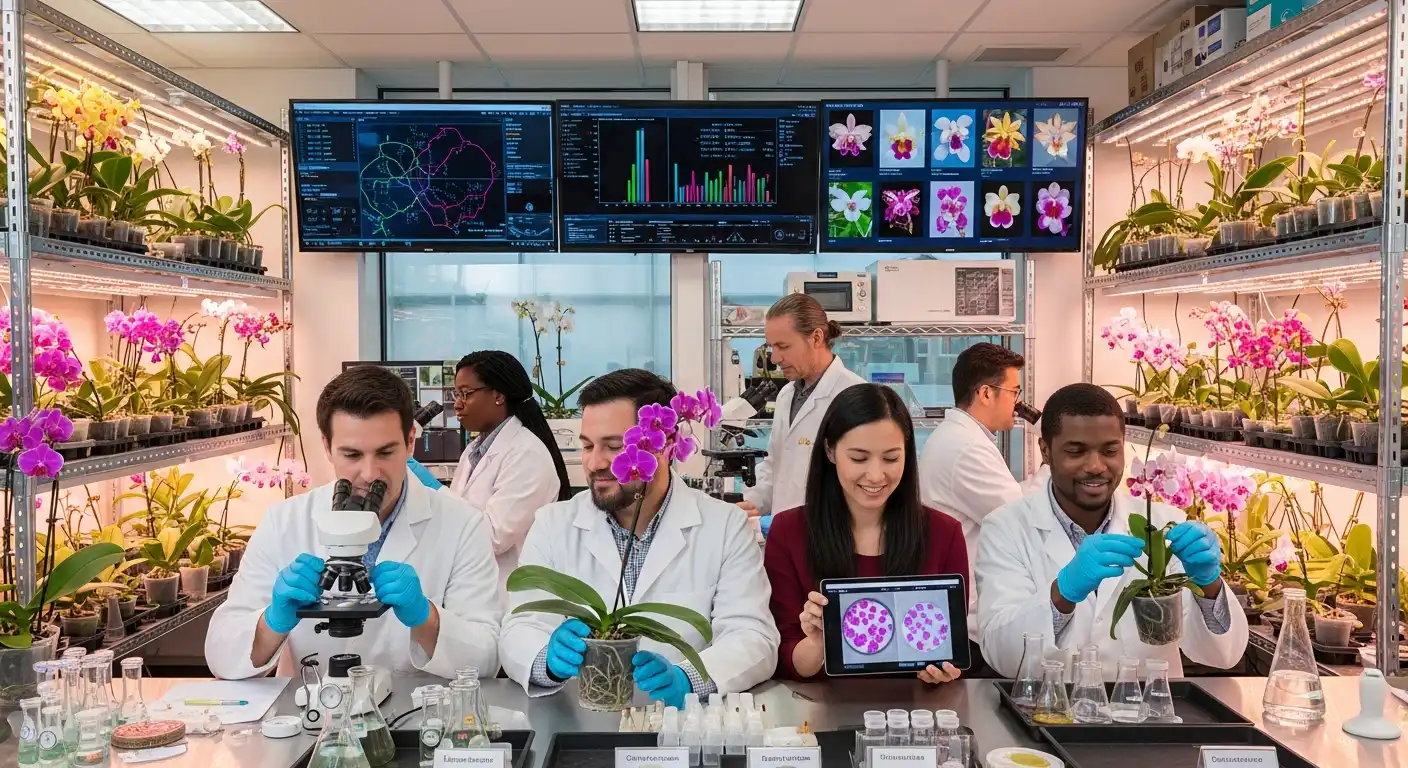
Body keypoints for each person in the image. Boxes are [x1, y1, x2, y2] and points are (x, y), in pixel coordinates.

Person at [206, 365, 503, 680]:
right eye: (351, 455)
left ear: (411, 441)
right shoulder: (285, 522)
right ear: (327, 446)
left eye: (386, 453)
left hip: (418, 715)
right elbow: (222, 656)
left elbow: (487, 658)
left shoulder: (461, 524)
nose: (370, 473)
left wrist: (425, 617)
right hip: (315, 710)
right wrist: (273, 619)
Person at [500, 369, 779, 703]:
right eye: (587, 445)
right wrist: (546, 659)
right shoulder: (553, 525)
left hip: (681, 726)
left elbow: (753, 635)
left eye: (614, 446)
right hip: (582, 721)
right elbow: (519, 626)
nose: (594, 462)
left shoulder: (724, 527)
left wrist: (690, 678)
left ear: (662, 443)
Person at [975, 383, 1248, 678]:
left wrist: (1208, 586)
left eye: (1110, 450)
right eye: (1076, 451)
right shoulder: (1005, 529)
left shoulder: (1161, 525)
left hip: (1149, 715)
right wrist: (1062, 593)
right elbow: (1002, 655)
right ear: (1046, 451)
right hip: (1053, 715)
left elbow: (1223, 655)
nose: (1096, 466)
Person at [765, 383, 968, 683]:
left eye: (891, 458)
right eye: (859, 458)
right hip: (819, 715)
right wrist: (818, 644)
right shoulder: (787, 533)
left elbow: (950, 649)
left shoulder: (944, 533)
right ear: (830, 450)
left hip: (916, 714)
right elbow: (785, 660)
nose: (875, 475)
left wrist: (942, 670)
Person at [407, 351, 571, 598]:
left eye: (466, 394)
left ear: (498, 395)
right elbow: (456, 518)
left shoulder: (527, 454)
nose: (457, 404)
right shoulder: (474, 450)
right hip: (475, 590)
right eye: (456, 394)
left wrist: (435, 489)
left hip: (509, 596)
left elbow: (493, 536)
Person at [918, 343, 1026, 636]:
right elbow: (1019, 519)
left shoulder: (960, 438)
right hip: (971, 618)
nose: (1018, 403)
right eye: (1014, 392)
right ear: (986, 393)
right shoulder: (966, 448)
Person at [741, 294, 866, 527]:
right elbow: (774, 464)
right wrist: (753, 503)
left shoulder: (854, 396)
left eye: (783, 346)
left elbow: (861, 484)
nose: (775, 358)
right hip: (786, 537)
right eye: (771, 348)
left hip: (831, 538)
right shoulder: (787, 394)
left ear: (816, 338)